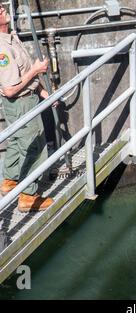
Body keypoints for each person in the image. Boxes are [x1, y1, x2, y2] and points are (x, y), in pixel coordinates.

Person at [0, 3, 55, 212]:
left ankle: (10, 181)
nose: (2, 9)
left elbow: (25, 76)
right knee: (35, 145)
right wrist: (35, 70)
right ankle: (28, 196)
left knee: (16, 140)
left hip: (23, 100)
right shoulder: (2, 48)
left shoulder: (11, 37)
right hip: (20, 102)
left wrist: (45, 95)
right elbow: (11, 89)